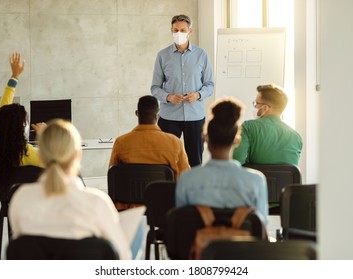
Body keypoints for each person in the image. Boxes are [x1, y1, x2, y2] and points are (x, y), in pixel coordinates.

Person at [9, 119, 132, 260]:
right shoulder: (97, 203)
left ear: (41, 156)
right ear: (78, 154)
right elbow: (122, 258)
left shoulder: (20, 198)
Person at [176, 97, 268, 225]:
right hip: (241, 245)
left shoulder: (186, 180)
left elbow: (181, 226)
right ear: (236, 141)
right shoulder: (255, 181)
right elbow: (261, 227)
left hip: (200, 244)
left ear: (205, 138)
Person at [151, 14, 214, 167]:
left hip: (195, 117)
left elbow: (210, 84)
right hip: (169, 117)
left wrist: (198, 94)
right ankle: (167, 190)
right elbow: (155, 88)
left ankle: (192, 190)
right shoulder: (162, 55)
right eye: (175, 30)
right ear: (171, 31)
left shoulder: (201, 55)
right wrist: (168, 97)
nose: (178, 33)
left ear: (189, 31)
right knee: (165, 159)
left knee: (195, 161)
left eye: (182, 30)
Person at [0, 52, 45, 202]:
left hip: (9, 204)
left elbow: (2, 108)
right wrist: (45, 135)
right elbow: (59, 162)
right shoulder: (27, 153)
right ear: (21, 128)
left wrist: (14, 77)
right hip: (36, 205)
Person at [109, 95, 190, 179]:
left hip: (130, 191)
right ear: (157, 116)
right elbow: (186, 178)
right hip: (164, 192)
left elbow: (112, 175)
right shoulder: (175, 143)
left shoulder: (121, 142)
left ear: (137, 113)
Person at [233, 84, 303, 165]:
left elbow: (236, 163)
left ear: (265, 108)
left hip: (257, 177)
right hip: (284, 178)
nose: (255, 107)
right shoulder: (297, 137)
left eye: (256, 104)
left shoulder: (248, 127)